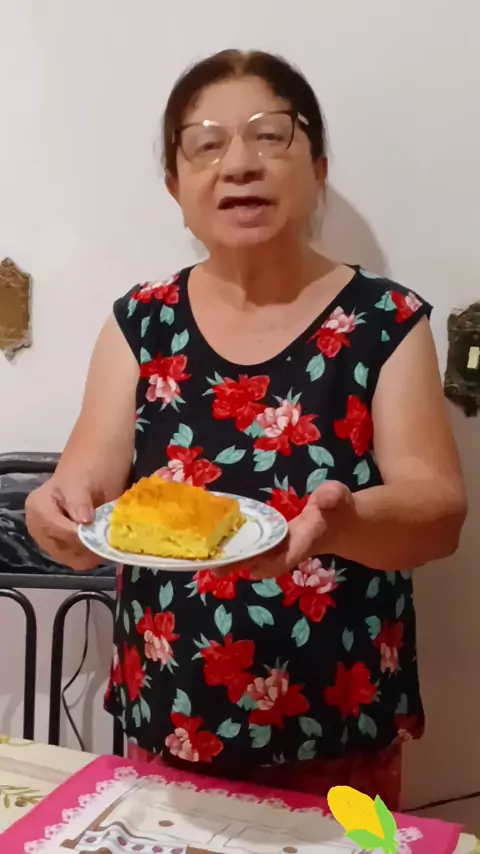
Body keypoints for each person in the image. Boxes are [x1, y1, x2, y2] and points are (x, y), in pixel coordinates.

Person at [26, 49, 466, 808]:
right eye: (205, 144)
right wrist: (55, 515)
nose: (238, 164)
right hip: (169, 714)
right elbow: (83, 485)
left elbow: (440, 513)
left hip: (338, 725)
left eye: (270, 135)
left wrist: (343, 524)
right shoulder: (142, 321)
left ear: (317, 167)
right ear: (176, 187)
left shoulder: (385, 322)